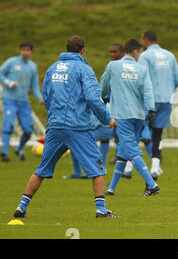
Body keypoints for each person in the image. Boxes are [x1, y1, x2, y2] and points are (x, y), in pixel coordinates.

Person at [13, 35, 117, 218]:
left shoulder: (53, 68)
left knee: (42, 169)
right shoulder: (84, 69)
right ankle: (101, 210)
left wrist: (56, 115)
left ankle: (21, 207)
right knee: (97, 168)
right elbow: (94, 98)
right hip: (78, 127)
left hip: (55, 126)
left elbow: (46, 95)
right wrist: (106, 119)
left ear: (67, 49)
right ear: (83, 50)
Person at [101, 38, 159, 197]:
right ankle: (111, 187)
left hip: (122, 115)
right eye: (139, 52)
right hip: (139, 115)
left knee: (131, 150)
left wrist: (104, 96)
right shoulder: (141, 69)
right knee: (123, 150)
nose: (139, 55)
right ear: (134, 51)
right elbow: (148, 91)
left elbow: (104, 84)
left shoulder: (113, 66)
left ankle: (152, 184)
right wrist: (152, 110)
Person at [63, 43, 125, 179]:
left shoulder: (115, 67)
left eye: (115, 52)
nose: (112, 54)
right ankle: (101, 168)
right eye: (111, 52)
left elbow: (99, 91)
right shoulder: (112, 66)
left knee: (86, 141)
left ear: (123, 52)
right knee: (106, 139)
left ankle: (98, 169)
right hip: (109, 109)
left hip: (113, 109)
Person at [138, 30, 178, 180]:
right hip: (167, 98)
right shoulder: (170, 55)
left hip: (150, 99)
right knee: (157, 134)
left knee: (141, 131)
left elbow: (142, 77)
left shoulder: (145, 56)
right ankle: (155, 167)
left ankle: (129, 167)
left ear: (145, 40)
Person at [0, 41, 44, 162]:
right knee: (8, 126)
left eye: (28, 50)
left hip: (24, 102)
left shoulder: (32, 66)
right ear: (20, 51)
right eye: (23, 50)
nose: (25, 52)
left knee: (29, 130)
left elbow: (34, 85)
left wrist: (39, 97)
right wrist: (9, 83)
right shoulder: (11, 62)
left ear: (31, 52)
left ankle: (18, 149)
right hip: (9, 99)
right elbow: (0, 73)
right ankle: (4, 153)